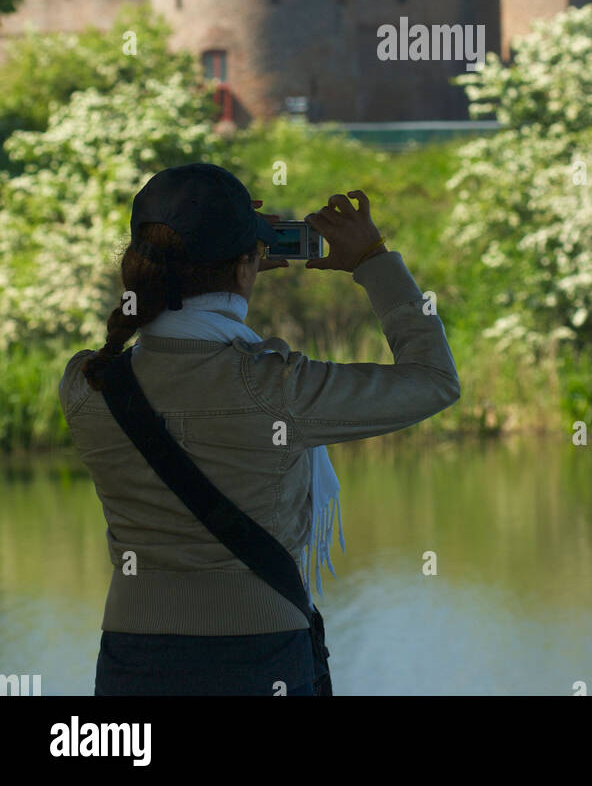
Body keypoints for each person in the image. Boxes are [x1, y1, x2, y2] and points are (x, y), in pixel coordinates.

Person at [58, 162, 460, 696]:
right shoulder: (273, 387)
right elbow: (433, 380)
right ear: (248, 267)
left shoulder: (88, 384)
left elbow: (171, 325)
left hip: (131, 657)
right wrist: (373, 261)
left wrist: (231, 265)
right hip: (257, 654)